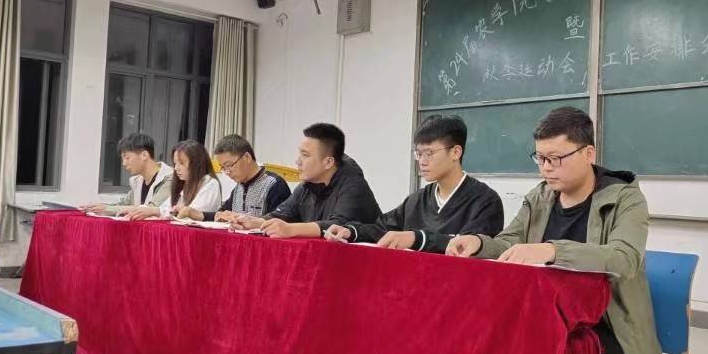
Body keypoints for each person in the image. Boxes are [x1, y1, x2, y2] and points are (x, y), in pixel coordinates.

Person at [446, 106, 662, 354]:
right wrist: (478, 242)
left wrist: (551, 250)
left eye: (556, 158)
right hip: (549, 316)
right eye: (540, 158)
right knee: (483, 350)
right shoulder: (541, 196)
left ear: (588, 153)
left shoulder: (625, 199)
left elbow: (624, 258)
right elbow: (510, 242)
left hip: (608, 324)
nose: (546, 168)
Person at [324, 115, 504, 251]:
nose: (422, 161)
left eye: (430, 153)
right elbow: (381, 228)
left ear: (455, 152)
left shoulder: (485, 201)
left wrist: (417, 238)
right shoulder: (418, 199)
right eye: (419, 154)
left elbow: (468, 246)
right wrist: (351, 231)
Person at [231, 123, 381, 238]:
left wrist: (291, 229)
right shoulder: (307, 185)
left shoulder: (353, 184)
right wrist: (255, 222)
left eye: (305, 155)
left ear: (328, 162)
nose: (298, 161)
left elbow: (339, 225)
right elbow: (283, 213)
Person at [176, 134, 291, 222]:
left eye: (230, 165)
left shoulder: (274, 185)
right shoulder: (238, 188)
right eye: (223, 167)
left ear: (247, 157)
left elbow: (280, 221)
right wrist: (194, 213)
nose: (227, 172)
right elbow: (221, 214)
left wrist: (245, 220)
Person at [81, 132, 172, 216]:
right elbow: (125, 204)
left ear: (144, 155)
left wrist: (106, 209)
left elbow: (151, 208)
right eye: (123, 159)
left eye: (127, 158)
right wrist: (98, 208)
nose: (124, 163)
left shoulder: (170, 178)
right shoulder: (137, 181)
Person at [128, 140, 222, 220]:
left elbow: (191, 213)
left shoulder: (210, 183)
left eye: (181, 163)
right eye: (175, 163)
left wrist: (154, 211)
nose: (176, 168)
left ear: (196, 163)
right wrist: (145, 210)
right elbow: (166, 207)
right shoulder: (185, 183)